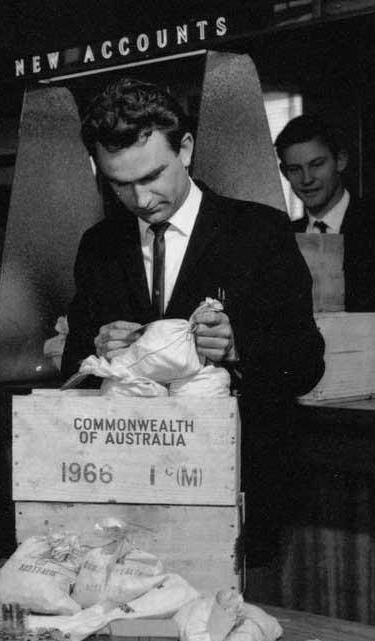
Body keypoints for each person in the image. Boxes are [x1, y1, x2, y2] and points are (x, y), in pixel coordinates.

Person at [61, 78, 325, 566]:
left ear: (185, 148)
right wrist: (97, 350)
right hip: (127, 491)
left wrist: (237, 346)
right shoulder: (99, 246)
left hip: (235, 486)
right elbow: (69, 368)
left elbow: (306, 362)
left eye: (152, 176)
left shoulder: (258, 232)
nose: (140, 198)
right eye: (119, 183)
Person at [275, 114, 375, 311]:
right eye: (295, 169)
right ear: (285, 172)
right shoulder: (283, 238)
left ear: (340, 161)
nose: (307, 179)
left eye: (317, 164)